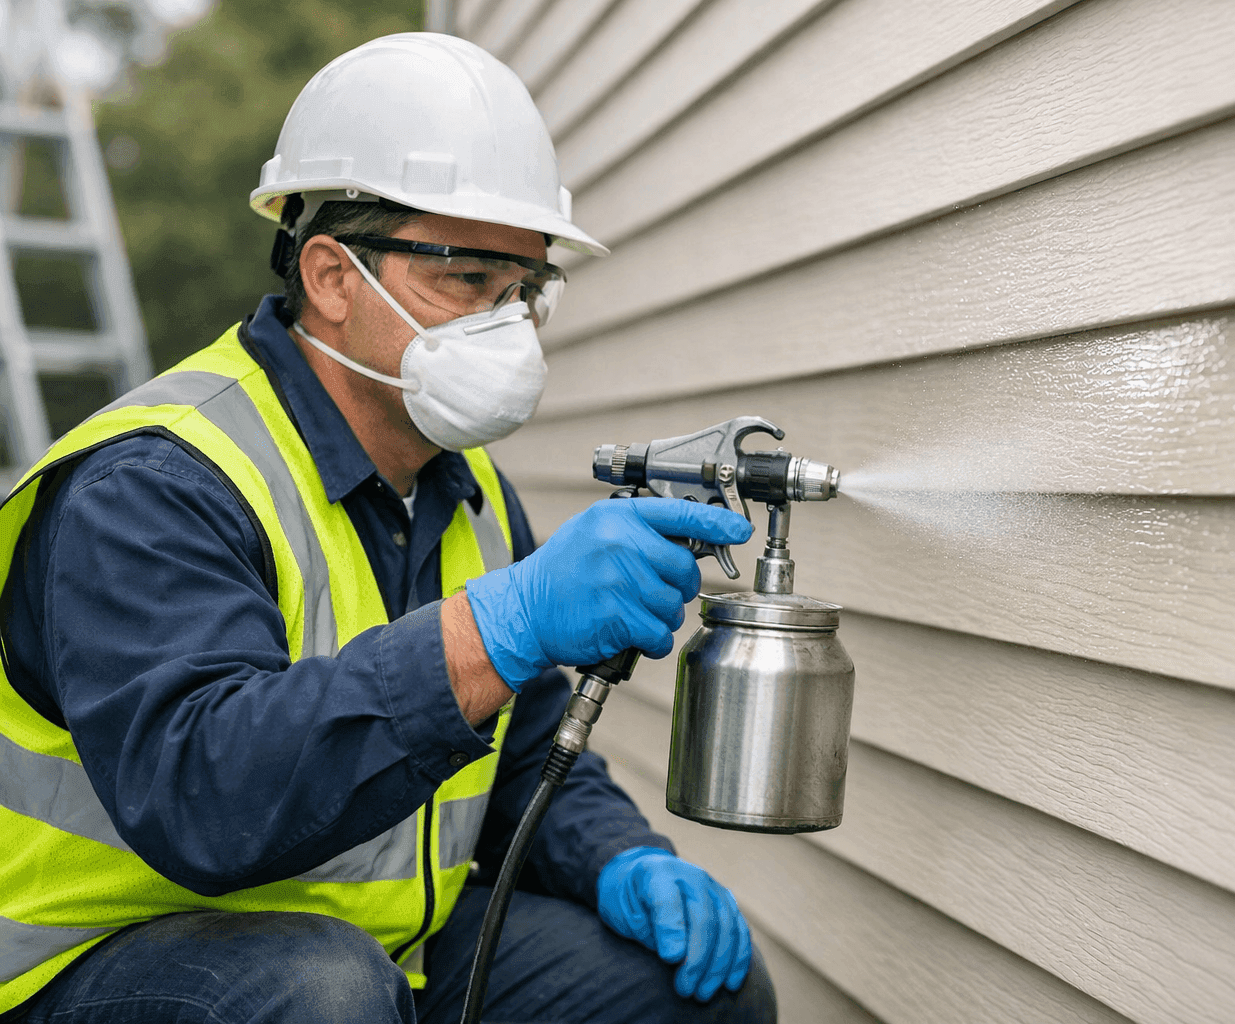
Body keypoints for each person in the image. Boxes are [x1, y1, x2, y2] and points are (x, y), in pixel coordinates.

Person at [0, 33, 775, 1023]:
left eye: (523, 291)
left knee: (686, 988)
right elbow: (205, 795)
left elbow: (528, 751)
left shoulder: (471, 490)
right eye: (465, 282)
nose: (508, 331)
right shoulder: (158, 480)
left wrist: (615, 851)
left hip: (380, 955)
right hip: (100, 966)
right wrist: (497, 630)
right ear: (330, 277)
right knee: (326, 993)